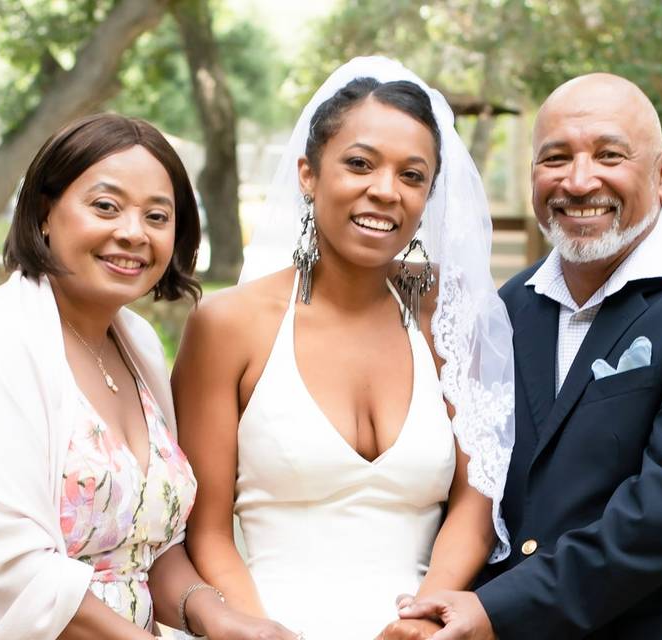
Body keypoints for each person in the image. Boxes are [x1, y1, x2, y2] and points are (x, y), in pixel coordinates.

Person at [396, 73, 662, 639]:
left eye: (609, 155)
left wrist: (500, 611)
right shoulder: (507, 310)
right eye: (555, 158)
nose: (579, 180)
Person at [0, 113, 296, 639]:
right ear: (45, 212)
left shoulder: (139, 348)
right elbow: (11, 568)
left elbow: (149, 546)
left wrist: (220, 618)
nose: (133, 233)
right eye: (106, 206)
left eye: (157, 216)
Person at [172, 57, 516, 640]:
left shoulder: (452, 318)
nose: (384, 191)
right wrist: (257, 630)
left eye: (412, 176)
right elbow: (203, 533)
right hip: (266, 626)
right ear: (309, 174)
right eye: (359, 164)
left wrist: (422, 621)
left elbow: (475, 509)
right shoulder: (228, 324)